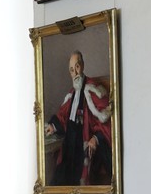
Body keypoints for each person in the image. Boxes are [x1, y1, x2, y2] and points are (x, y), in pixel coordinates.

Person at [44, 50, 112, 186]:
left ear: (83, 66)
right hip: (69, 144)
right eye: (71, 70)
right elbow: (62, 116)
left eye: (77, 66)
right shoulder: (71, 94)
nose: (75, 72)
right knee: (59, 180)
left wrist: (96, 138)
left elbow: (106, 118)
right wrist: (53, 126)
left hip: (85, 141)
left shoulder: (94, 89)